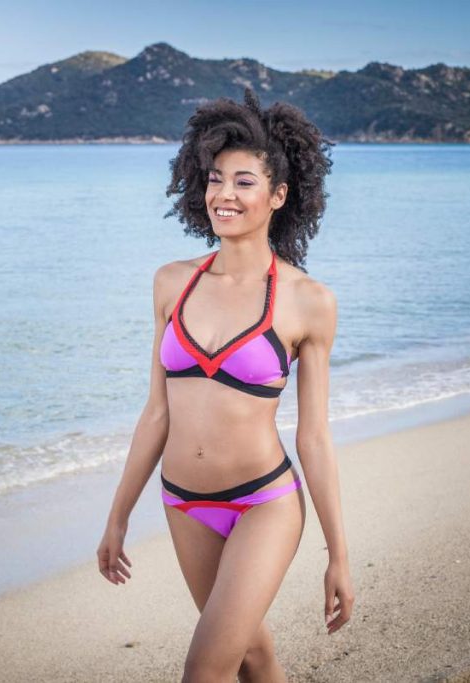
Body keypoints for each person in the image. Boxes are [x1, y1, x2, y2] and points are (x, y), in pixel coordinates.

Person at [96, 86, 354, 682]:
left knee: (203, 671)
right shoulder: (171, 283)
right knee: (251, 657)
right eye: (215, 179)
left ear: (278, 195)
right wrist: (118, 516)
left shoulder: (309, 302)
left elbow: (313, 437)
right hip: (183, 501)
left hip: (265, 501)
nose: (224, 194)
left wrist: (338, 554)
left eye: (243, 181)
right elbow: (156, 414)